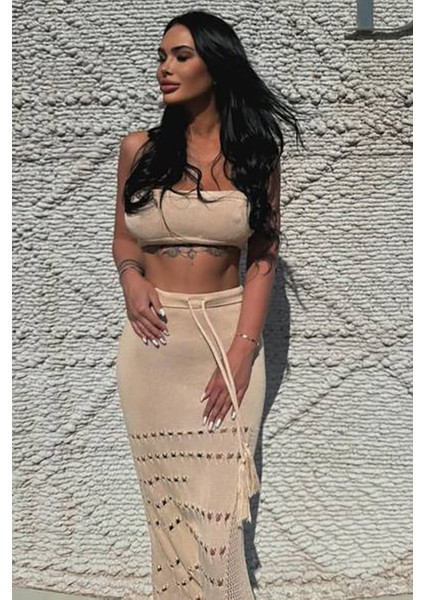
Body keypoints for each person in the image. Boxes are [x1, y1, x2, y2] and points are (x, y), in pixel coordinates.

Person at [113, 10, 303, 600]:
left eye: (181, 56)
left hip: (226, 337)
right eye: (161, 57)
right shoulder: (139, 149)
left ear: (215, 67)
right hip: (153, 344)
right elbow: (124, 239)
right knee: (167, 510)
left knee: (219, 512)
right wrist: (132, 279)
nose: (164, 69)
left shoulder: (257, 154)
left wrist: (244, 350)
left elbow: (263, 254)